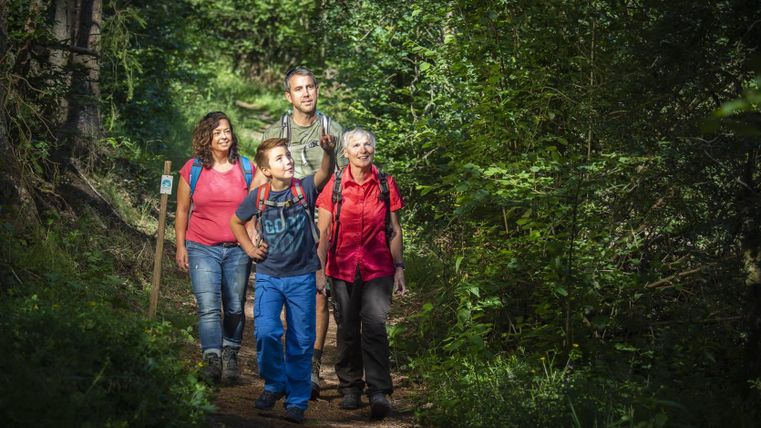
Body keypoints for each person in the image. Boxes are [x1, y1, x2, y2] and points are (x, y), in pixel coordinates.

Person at [229, 136, 335, 424]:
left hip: (301, 278)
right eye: (279, 158)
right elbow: (236, 222)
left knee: (301, 341)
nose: (287, 161)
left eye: (288, 155)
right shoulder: (259, 196)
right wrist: (249, 248)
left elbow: (325, 173)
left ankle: (297, 400)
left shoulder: (304, 188)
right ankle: (274, 384)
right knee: (266, 332)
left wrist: (328, 151)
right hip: (268, 277)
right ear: (266, 169)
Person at [261, 66, 346, 399]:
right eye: (299, 89)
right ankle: (285, 366)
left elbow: (343, 176)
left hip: (324, 218)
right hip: (283, 222)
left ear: (318, 90)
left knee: (318, 294)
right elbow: (262, 176)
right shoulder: (277, 130)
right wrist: (256, 222)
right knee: (284, 291)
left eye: (311, 87)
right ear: (288, 96)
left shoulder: (333, 129)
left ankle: (311, 365)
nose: (306, 93)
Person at [315, 128, 406, 420]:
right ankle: (350, 387)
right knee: (347, 328)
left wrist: (399, 266)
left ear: (374, 149)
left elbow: (395, 230)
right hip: (341, 266)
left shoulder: (385, 183)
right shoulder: (335, 184)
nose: (363, 149)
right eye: (356, 144)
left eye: (368, 143)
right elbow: (324, 232)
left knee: (376, 327)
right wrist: (319, 270)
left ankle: (379, 391)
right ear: (346, 152)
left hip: (378, 266)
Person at [175, 111, 263, 385]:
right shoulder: (193, 169)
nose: (224, 136)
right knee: (209, 307)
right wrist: (180, 245)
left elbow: (257, 210)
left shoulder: (248, 169)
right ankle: (211, 358)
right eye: (217, 132)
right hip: (201, 246)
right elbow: (181, 209)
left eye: (226, 131)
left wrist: (254, 236)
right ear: (206, 138)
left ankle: (231, 354)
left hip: (238, 249)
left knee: (235, 306)